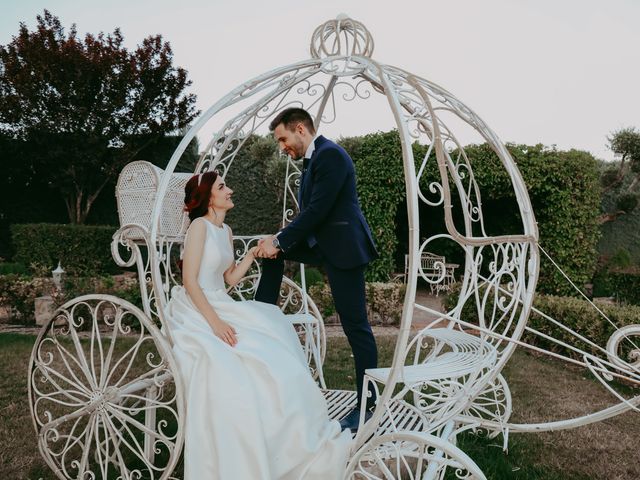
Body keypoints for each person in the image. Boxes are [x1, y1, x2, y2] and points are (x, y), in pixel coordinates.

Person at [164, 170, 352, 479]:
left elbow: (229, 279)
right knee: (236, 360)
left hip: (220, 301)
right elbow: (190, 282)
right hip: (196, 309)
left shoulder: (224, 230)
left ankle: (290, 432)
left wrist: (251, 254)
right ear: (209, 196)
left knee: (272, 335)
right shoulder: (198, 227)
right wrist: (215, 323)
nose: (231, 190)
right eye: (224, 186)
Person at [254, 107, 379, 432]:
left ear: (300, 129)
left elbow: (317, 211)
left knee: (356, 328)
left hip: (344, 249)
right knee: (273, 254)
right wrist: (277, 242)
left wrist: (280, 240)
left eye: (283, 139)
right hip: (322, 244)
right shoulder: (313, 160)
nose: (282, 147)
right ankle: (262, 317)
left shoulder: (330, 156)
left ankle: (369, 407)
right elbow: (309, 215)